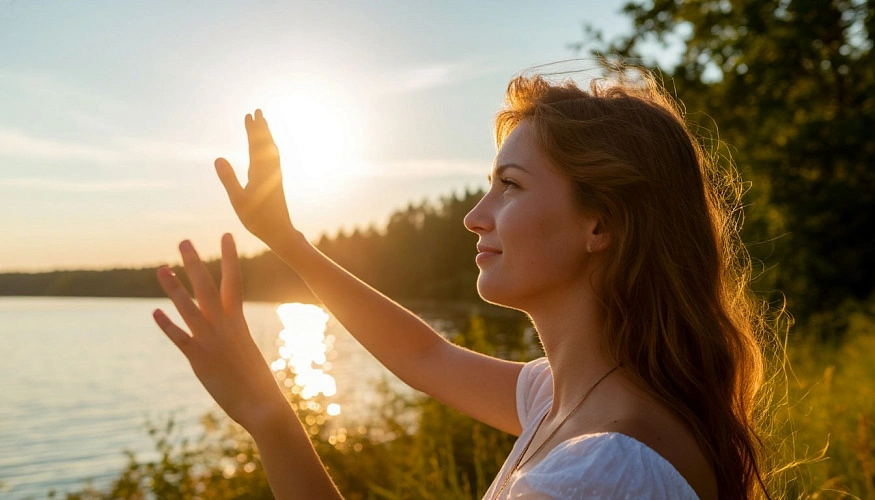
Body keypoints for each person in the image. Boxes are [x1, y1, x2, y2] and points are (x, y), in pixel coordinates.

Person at [153, 68, 770, 499]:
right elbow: (425, 354)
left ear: (600, 223)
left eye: (511, 185)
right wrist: (287, 240)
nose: (474, 215)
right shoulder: (567, 401)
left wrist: (268, 415)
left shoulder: (599, 471)